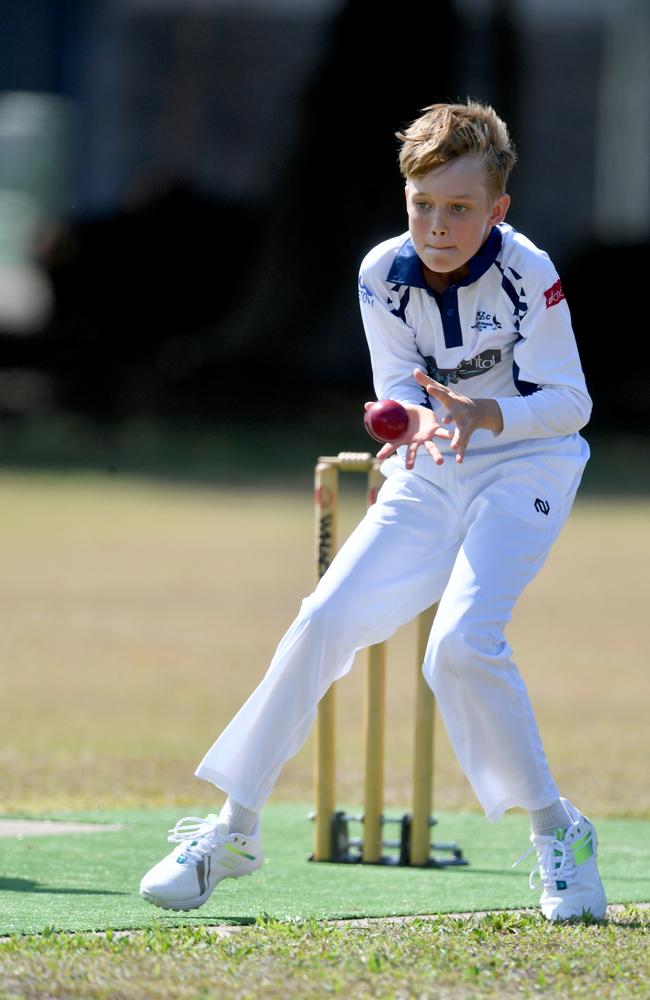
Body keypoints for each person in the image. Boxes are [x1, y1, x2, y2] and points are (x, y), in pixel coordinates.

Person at [140, 101, 606, 921]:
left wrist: (482, 413)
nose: (437, 224)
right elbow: (395, 381)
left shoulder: (527, 271)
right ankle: (235, 829)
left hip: (528, 462)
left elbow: (571, 402)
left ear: (497, 210)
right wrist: (416, 419)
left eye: (460, 208)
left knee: (460, 646)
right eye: (423, 205)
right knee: (322, 618)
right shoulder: (379, 272)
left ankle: (556, 833)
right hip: (433, 470)